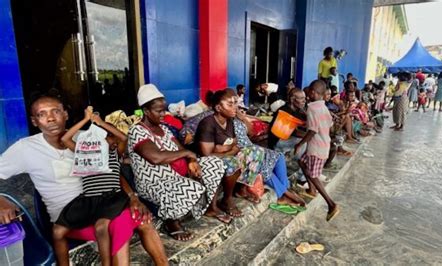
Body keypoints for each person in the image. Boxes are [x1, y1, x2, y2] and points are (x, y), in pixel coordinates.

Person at [0, 95, 168, 265]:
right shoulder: (25, 148)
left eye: (55, 111)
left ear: (65, 114)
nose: (50, 118)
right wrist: (2, 201)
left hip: (102, 202)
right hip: (69, 217)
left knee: (142, 219)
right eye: (42, 114)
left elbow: (111, 172)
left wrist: (133, 197)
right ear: (34, 121)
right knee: (118, 224)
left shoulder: (86, 139)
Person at [128, 84, 225, 241]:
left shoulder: (164, 129)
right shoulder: (137, 131)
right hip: (153, 183)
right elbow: (156, 157)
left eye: (164, 109)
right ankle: (171, 220)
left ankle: (200, 208)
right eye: (159, 111)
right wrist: (188, 153)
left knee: (214, 164)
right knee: (191, 187)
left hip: (176, 177)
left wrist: (192, 160)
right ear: (146, 111)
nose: (163, 114)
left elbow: (180, 148)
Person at [196, 89, 305, 209]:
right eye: (231, 103)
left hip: (240, 149)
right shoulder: (209, 121)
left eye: (236, 103)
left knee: (276, 156)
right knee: (259, 159)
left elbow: (245, 136)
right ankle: (283, 194)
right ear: (218, 107)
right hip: (225, 155)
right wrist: (228, 149)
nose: (235, 106)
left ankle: (284, 190)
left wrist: (241, 119)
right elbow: (210, 152)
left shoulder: (231, 118)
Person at [52, 106, 132, 266]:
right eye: (104, 136)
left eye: (110, 136)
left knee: (101, 227)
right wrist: (86, 120)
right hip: (87, 200)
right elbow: (65, 139)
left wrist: (100, 123)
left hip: (110, 197)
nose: (108, 139)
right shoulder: (84, 151)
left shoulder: (114, 153)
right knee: (57, 231)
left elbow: (123, 138)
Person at [295, 80, 340, 222]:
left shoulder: (312, 108)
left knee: (313, 175)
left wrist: (299, 144)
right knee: (302, 162)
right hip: (323, 144)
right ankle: (311, 190)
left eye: (308, 92)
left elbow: (313, 131)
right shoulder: (323, 107)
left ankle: (331, 204)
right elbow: (330, 126)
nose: (307, 93)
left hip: (316, 147)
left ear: (313, 93)